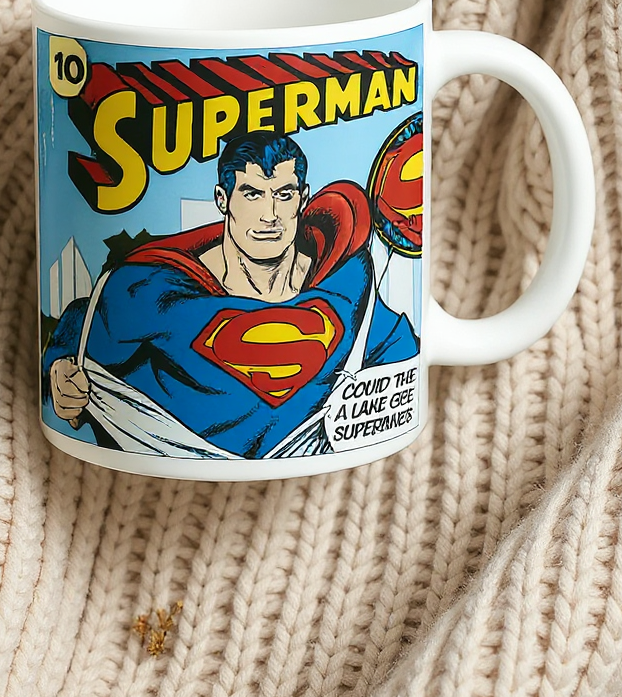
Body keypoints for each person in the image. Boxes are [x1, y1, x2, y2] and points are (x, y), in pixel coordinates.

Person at [43, 132, 418, 459]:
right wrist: (59, 372)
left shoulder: (347, 284)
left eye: (283, 194)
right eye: (252, 194)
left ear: (303, 198)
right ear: (223, 199)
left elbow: (396, 347)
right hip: (164, 461)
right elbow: (82, 331)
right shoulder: (154, 292)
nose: (270, 215)